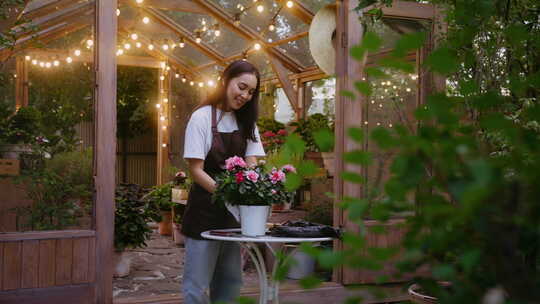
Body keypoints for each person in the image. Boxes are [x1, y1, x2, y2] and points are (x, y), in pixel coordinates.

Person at [181, 60, 265, 304]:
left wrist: (251, 194)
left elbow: (252, 162)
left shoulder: (247, 122)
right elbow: (195, 170)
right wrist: (227, 195)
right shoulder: (201, 118)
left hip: (232, 218)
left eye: (251, 92)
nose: (245, 95)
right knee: (196, 286)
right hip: (204, 213)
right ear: (226, 80)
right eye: (241, 87)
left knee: (230, 283)